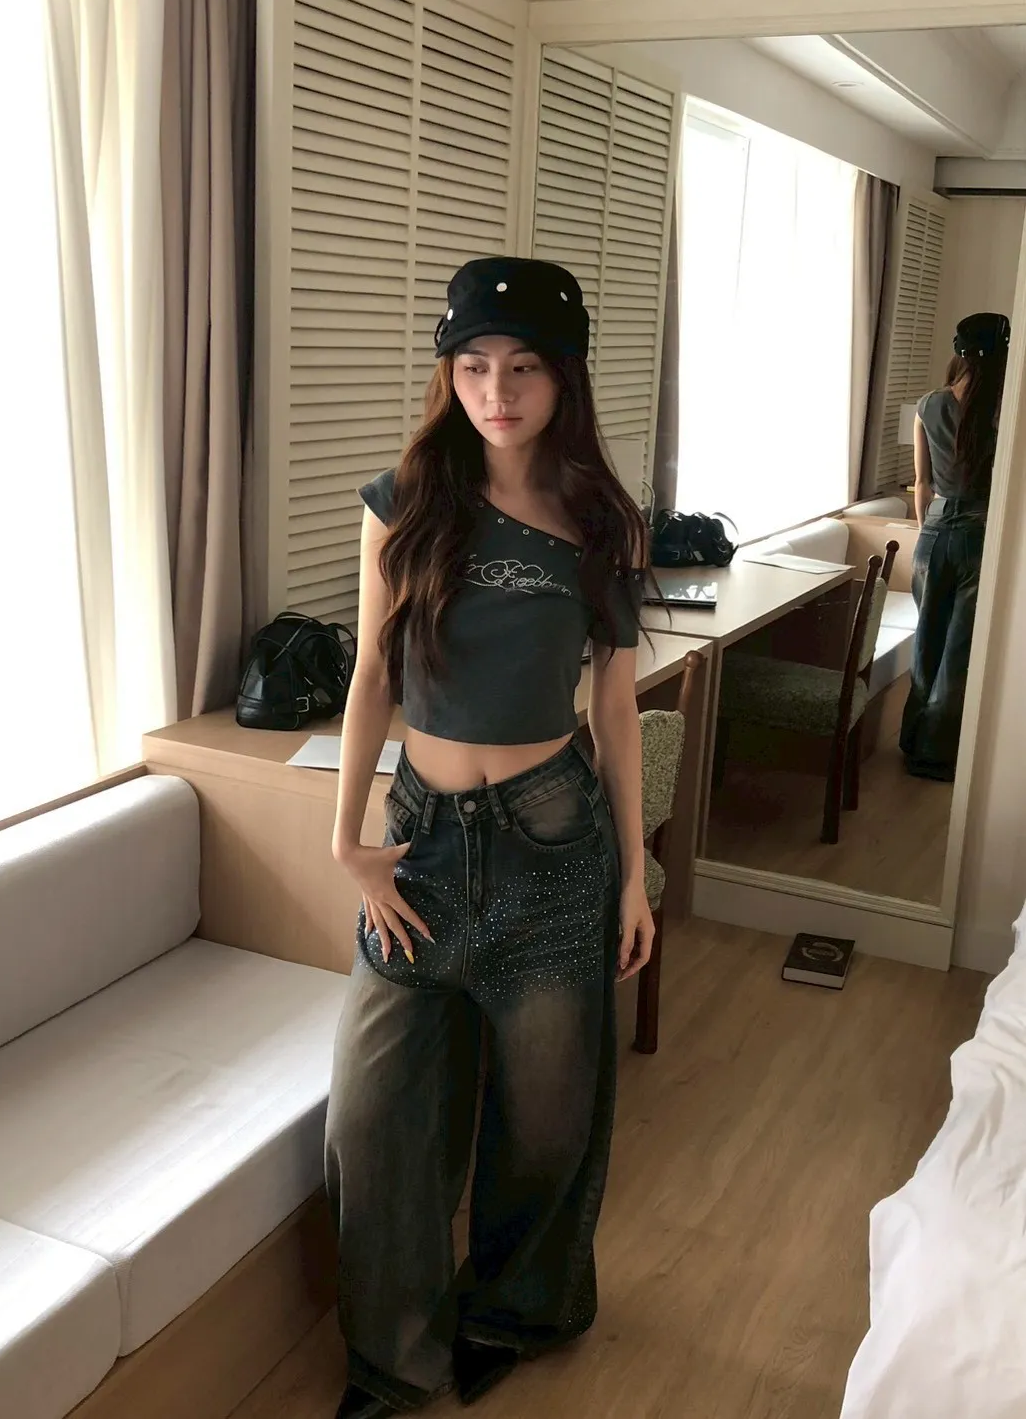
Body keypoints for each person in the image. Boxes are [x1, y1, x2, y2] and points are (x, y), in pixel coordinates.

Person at [324, 257, 654, 1417]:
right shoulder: (402, 501)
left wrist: (634, 875)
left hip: (553, 845)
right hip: (417, 847)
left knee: (546, 1125)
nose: (495, 392)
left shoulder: (604, 521)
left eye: (521, 368)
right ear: (448, 373)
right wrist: (346, 839)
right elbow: (372, 675)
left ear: (563, 378)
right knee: (370, 1124)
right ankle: (391, 1359)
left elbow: (614, 705)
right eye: (472, 366)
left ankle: (513, 1311)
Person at [901, 310, 1011, 781]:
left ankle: (911, 742)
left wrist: (926, 534)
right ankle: (935, 755)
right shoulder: (1004, 411)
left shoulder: (927, 405)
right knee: (958, 651)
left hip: (933, 533)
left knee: (926, 640)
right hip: (980, 534)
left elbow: (922, 484)